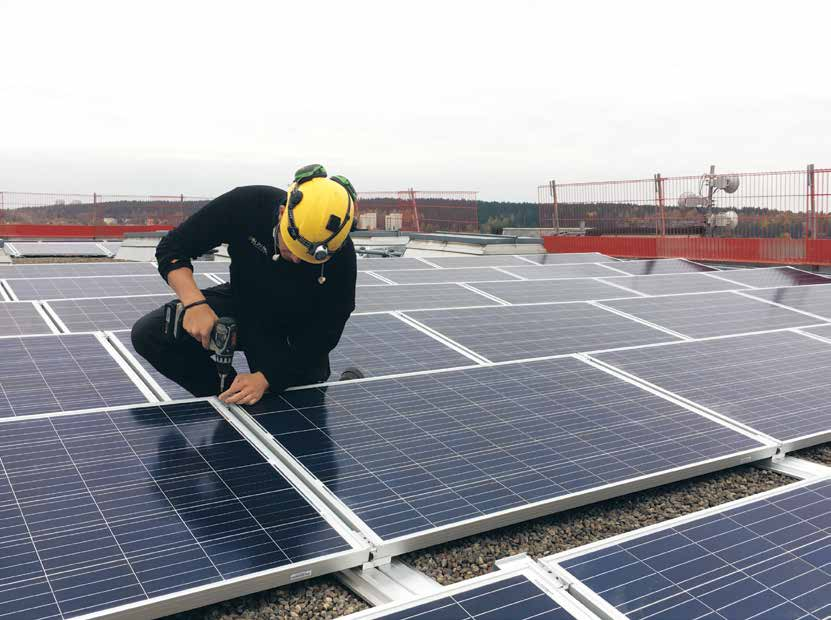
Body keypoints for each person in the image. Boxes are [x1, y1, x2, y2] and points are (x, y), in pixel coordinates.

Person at [131, 164, 360, 406]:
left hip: (295, 333)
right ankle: (232, 400)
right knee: (151, 335)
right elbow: (172, 249)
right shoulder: (248, 205)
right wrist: (194, 304)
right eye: (291, 248)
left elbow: (327, 331)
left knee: (295, 412)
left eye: (309, 257)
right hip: (244, 301)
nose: (296, 259)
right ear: (283, 213)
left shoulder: (342, 254)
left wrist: (267, 378)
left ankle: (260, 403)